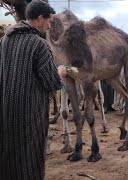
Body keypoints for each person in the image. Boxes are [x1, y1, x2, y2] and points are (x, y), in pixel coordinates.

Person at [0, 0, 66, 179]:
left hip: (7, 112)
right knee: (29, 160)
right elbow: (53, 83)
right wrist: (59, 71)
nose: (49, 25)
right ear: (39, 19)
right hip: (30, 115)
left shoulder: (6, 39)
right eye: (49, 21)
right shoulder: (39, 44)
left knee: (8, 158)